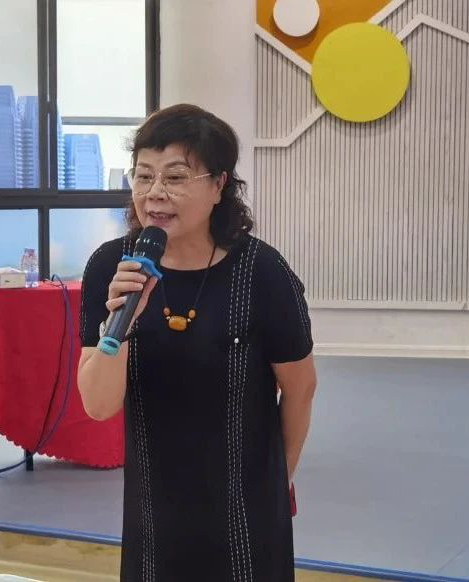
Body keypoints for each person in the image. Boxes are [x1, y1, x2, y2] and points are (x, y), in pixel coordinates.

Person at [77, 103, 317, 582]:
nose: (155, 193)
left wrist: (276, 481)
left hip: (246, 511)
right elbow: (98, 406)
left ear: (218, 185)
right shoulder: (112, 267)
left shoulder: (261, 272)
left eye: (175, 177)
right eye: (143, 176)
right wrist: (122, 324)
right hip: (153, 510)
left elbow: (300, 388)